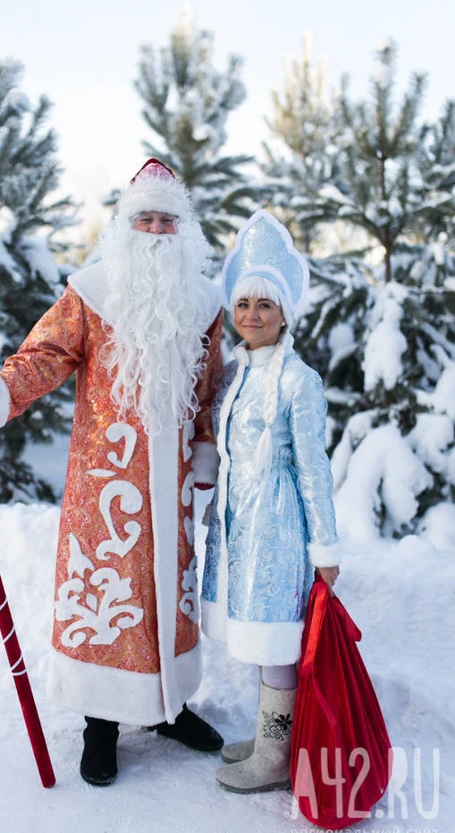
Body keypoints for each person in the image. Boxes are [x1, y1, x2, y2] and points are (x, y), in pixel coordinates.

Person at [0, 159, 224, 786]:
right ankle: (101, 723)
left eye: (167, 219)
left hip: (172, 490)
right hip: (105, 482)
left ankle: (169, 708)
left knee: (166, 596)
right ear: (124, 224)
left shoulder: (203, 303)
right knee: (108, 598)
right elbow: (40, 359)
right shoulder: (91, 293)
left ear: (184, 230)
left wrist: (203, 449)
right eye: (143, 216)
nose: (154, 228)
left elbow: (208, 387)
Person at [200, 209, 342, 795]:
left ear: (284, 313)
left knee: (277, 635)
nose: (252, 315)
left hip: (278, 528)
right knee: (256, 631)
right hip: (239, 525)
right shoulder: (233, 374)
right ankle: (267, 737)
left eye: (264, 305)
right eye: (243, 305)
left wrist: (323, 547)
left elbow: (314, 468)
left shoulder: (297, 380)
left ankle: (277, 753)